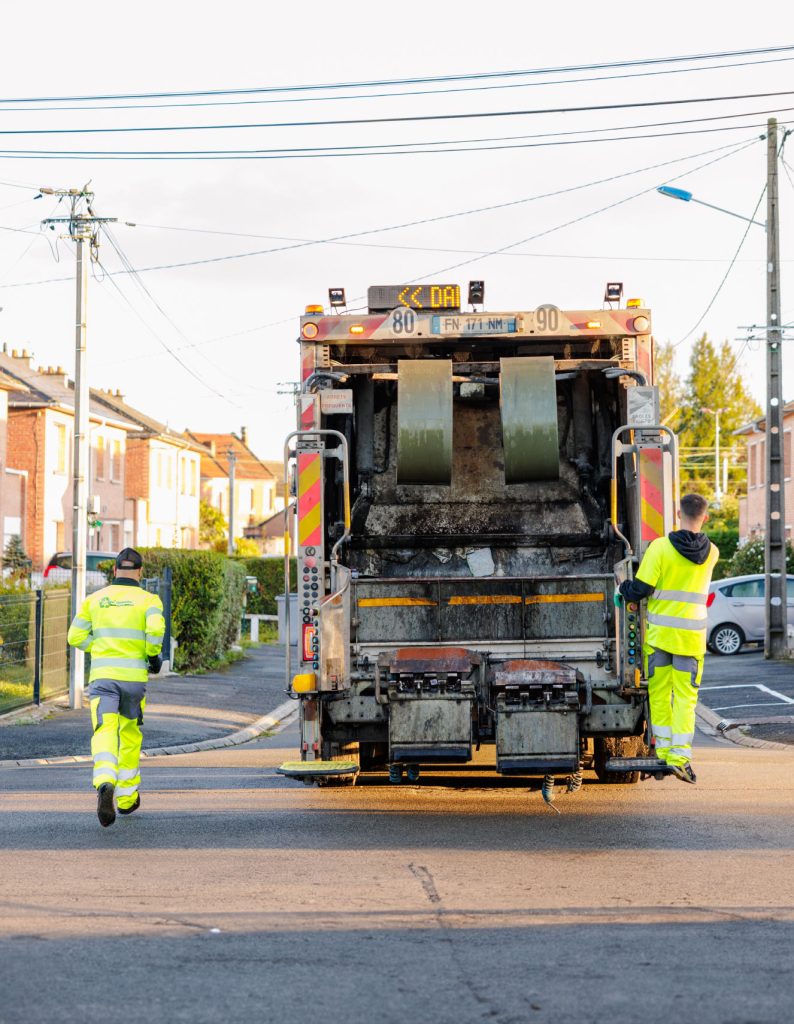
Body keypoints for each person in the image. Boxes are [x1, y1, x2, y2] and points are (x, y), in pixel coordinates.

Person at [619, 493, 718, 784]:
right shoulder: (712, 552)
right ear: (706, 517)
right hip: (691, 639)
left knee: (660, 694)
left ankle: (663, 753)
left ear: (678, 513)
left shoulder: (660, 548)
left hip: (661, 638)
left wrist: (623, 587)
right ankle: (679, 759)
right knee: (685, 699)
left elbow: (641, 588)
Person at [67, 548, 165, 827]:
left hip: (103, 680)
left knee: (104, 730)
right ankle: (125, 798)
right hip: (134, 682)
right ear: (140, 572)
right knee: (130, 735)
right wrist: (152, 655)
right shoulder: (149, 600)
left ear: (114, 571)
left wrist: (97, 647)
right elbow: (156, 631)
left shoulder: (95, 600)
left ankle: (105, 781)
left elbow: (74, 636)